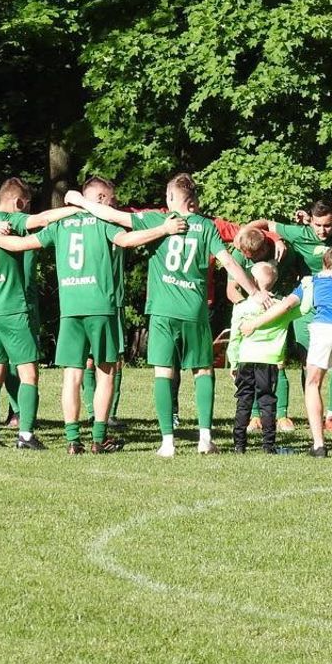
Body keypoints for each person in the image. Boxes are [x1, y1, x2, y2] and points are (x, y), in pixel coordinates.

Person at [64, 173, 269, 456]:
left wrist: (77, 199)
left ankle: (167, 442)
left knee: (163, 372)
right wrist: (255, 292)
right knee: (203, 371)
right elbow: (229, 262)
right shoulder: (206, 226)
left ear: (171, 198)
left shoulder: (154, 220)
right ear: (193, 201)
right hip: (194, 309)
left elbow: (109, 214)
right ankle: (205, 439)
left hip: (162, 310)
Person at [0, 176, 182, 454]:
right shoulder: (103, 222)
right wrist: (164, 229)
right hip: (101, 307)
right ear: (99, 199)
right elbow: (127, 240)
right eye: (110, 199)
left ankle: (72, 439)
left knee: (72, 375)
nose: (113, 205)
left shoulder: (61, 224)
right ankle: (99, 438)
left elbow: (23, 244)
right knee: (106, 373)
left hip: (70, 309)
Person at [0, 179, 76, 450]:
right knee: (29, 374)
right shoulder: (10, 222)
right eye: (26, 205)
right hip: (12, 309)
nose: (27, 210)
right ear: (19, 203)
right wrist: (76, 209)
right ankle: (26, 435)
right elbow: (43, 219)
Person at [244, 201, 332, 432]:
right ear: (310, 221)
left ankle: (331, 417)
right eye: (318, 225)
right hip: (306, 302)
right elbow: (263, 223)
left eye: (328, 225)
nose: (323, 231)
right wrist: (275, 237)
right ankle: (297, 413)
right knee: (297, 360)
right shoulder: (298, 232)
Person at [253, 247, 332, 457]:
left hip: (325, 327)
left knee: (313, 382)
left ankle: (319, 445)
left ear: (324, 265)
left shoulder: (313, 280)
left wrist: (255, 324)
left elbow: (287, 305)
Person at [228, 261, 301, 453]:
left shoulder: (241, 307)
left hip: (245, 359)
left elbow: (235, 336)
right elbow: (304, 307)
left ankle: (239, 445)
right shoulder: (279, 307)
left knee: (243, 400)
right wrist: (305, 286)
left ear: (252, 280)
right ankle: (269, 445)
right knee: (267, 400)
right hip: (269, 361)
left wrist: (233, 361)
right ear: (274, 282)